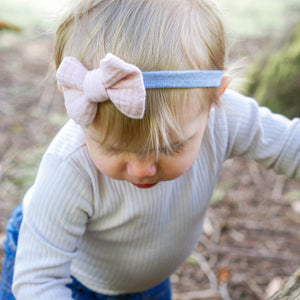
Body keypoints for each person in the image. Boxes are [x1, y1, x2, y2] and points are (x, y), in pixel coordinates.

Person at [1, 0, 300, 299]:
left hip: (148, 282)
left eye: (170, 147)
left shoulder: (224, 118)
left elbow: (290, 145)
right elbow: (37, 282)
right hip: (61, 276)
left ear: (215, 97)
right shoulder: (69, 166)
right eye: (112, 148)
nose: (143, 169)